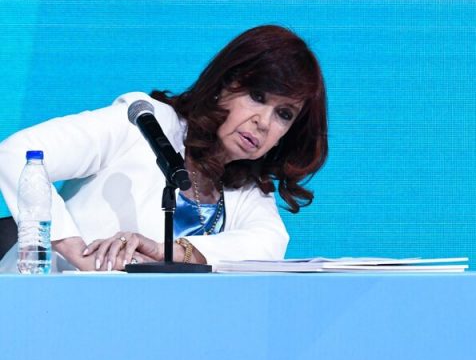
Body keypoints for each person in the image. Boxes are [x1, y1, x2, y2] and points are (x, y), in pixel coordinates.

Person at [0, 25, 328, 272]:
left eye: (284, 114)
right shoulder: (143, 125)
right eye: (257, 97)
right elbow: (17, 153)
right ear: (225, 85)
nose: (264, 122)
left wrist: (167, 250)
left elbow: (268, 244)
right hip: (44, 308)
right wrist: (73, 247)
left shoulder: (245, 188)